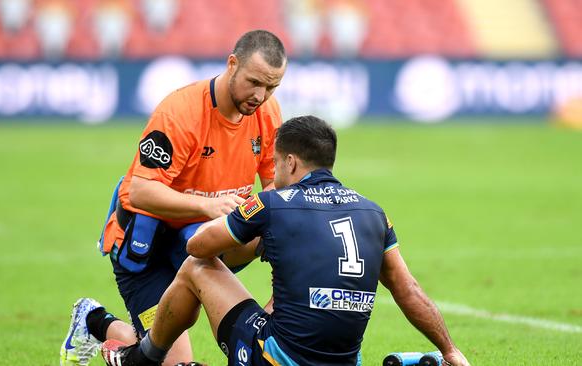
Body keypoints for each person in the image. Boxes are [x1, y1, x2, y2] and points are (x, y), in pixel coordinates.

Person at [100, 115, 471, 366]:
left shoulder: (273, 204)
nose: (273, 173)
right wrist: (450, 350)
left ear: (291, 162)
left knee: (197, 267)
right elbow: (408, 290)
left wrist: (231, 218)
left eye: (275, 164)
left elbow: (198, 248)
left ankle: (139, 359)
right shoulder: (373, 213)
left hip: (277, 359)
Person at [59, 29, 287, 366]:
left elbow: (276, 187)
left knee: (278, 225)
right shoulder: (180, 113)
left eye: (271, 87)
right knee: (166, 360)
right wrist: (208, 206)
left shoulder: (267, 115)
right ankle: (94, 320)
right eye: (254, 82)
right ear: (232, 64)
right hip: (148, 249)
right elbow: (141, 190)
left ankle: (280, 316)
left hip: (203, 244)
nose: (260, 95)